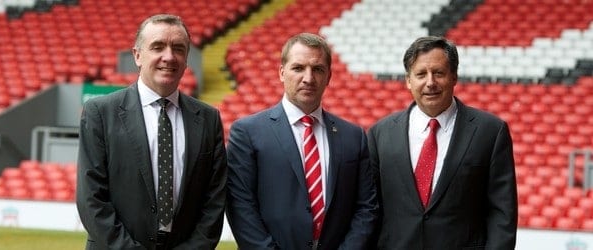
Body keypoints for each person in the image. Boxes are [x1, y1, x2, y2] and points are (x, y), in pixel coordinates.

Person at [76, 14, 227, 250]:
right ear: (137, 55)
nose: (169, 56)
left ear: (186, 58)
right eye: (158, 47)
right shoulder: (100, 112)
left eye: (178, 48)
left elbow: (214, 200)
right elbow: (91, 199)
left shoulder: (208, 118)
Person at [225, 32, 378, 250]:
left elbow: (366, 208)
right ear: (281, 72)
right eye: (298, 68)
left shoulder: (354, 137)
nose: (308, 78)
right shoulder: (247, 132)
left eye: (317, 69)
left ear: (329, 76)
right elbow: (240, 206)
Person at [367, 36, 518, 249]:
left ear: (454, 76)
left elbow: (502, 214)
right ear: (408, 80)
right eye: (421, 74)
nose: (430, 82)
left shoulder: (491, 132)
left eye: (438, 73)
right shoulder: (379, 133)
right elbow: (369, 209)